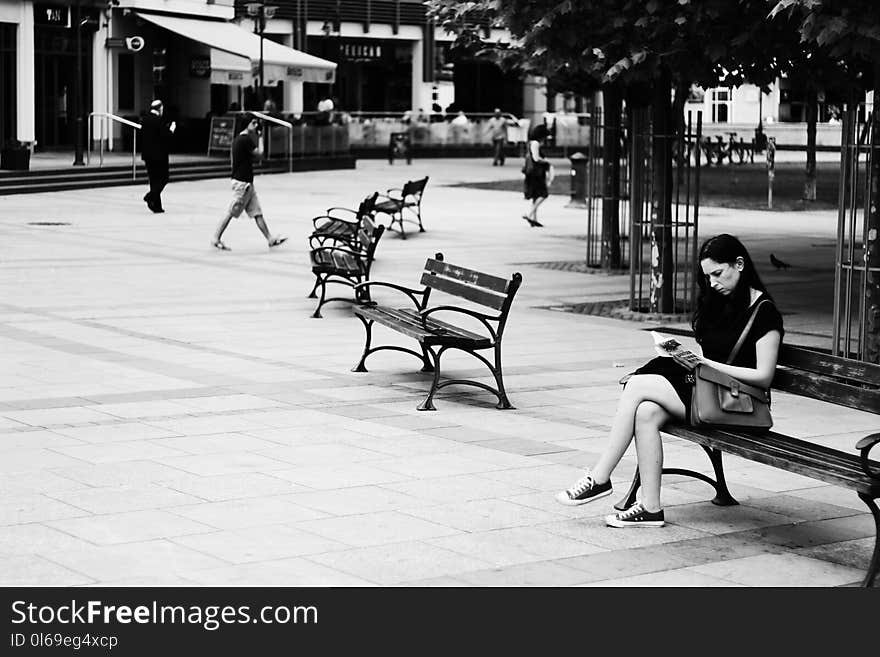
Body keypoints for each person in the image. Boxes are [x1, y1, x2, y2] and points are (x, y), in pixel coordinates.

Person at [555, 234, 784, 527]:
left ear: (739, 264)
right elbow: (711, 358)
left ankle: (600, 477)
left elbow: (764, 377)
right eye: (707, 276)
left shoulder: (764, 313)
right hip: (712, 394)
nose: (712, 282)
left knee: (637, 387)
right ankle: (650, 507)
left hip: (741, 406)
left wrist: (706, 363)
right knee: (646, 412)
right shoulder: (720, 302)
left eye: (718, 273)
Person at [211, 113, 287, 251]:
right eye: (253, 123)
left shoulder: (238, 139)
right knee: (231, 212)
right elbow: (260, 154)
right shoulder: (245, 140)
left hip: (245, 183)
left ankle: (270, 239)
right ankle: (216, 238)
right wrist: (261, 136)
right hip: (242, 184)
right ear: (247, 124)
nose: (255, 125)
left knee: (257, 213)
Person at [140, 100, 176, 213]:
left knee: (153, 180)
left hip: (147, 155)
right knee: (164, 178)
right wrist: (172, 129)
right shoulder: (158, 120)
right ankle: (150, 196)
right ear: (160, 108)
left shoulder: (145, 119)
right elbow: (165, 136)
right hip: (159, 155)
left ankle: (156, 205)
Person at [522, 123, 552, 227]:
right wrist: (546, 161)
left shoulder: (530, 143)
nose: (545, 139)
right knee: (544, 194)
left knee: (535, 195)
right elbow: (536, 158)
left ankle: (534, 219)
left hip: (531, 173)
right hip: (536, 173)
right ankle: (530, 214)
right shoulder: (535, 144)